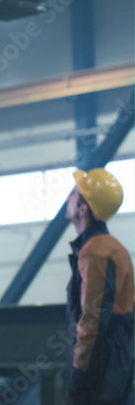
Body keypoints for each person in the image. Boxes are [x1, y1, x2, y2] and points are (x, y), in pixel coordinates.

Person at [64, 167, 133, 405]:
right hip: (119, 359)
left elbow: (91, 321)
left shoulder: (93, 253)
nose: (68, 199)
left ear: (83, 209)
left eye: (73, 194)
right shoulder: (116, 248)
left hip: (99, 365)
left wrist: (78, 375)